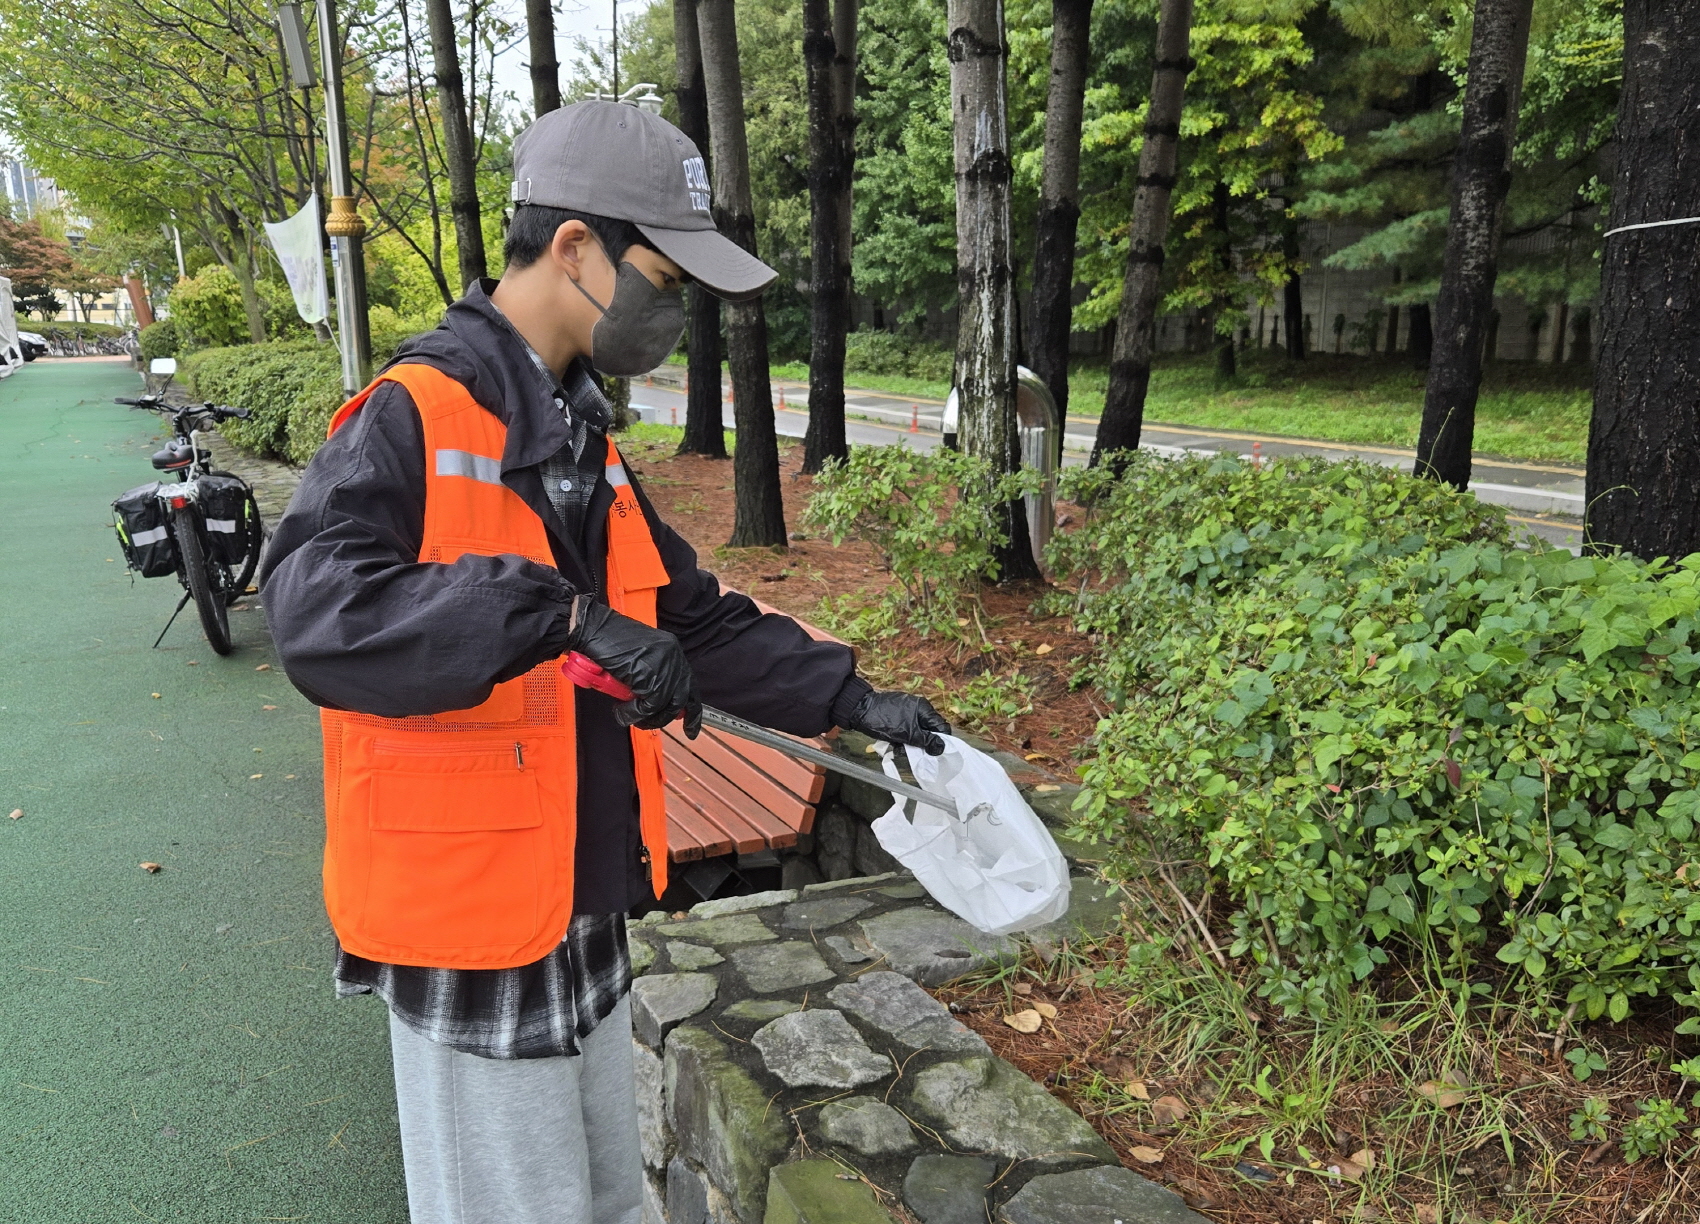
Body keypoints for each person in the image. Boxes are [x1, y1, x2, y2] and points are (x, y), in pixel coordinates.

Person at [259, 100, 949, 1224]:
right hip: (470, 913)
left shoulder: (583, 439)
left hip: (577, 886)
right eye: (664, 282)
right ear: (575, 248)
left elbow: (692, 620)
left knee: (605, 1204)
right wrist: (559, 618)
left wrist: (851, 696)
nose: (670, 315)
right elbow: (319, 613)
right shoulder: (411, 414)